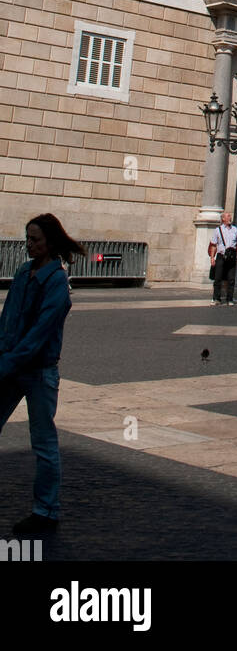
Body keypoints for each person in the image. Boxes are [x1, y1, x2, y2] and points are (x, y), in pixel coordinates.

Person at [0, 213, 84, 534]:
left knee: (44, 443)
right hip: (12, 364)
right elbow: (8, 320)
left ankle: (46, 510)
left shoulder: (57, 283)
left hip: (38, 372)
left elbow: (38, 337)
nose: (29, 245)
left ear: (50, 242)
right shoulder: (23, 272)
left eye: (35, 240)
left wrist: (5, 364)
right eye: (27, 238)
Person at [209, 211, 237, 306]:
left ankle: (230, 299)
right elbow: (214, 245)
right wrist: (212, 257)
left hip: (231, 256)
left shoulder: (235, 230)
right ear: (223, 219)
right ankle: (216, 298)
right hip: (221, 256)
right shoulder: (218, 230)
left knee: (231, 279)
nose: (230, 218)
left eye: (230, 216)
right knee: (218, 278)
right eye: (228, 216)